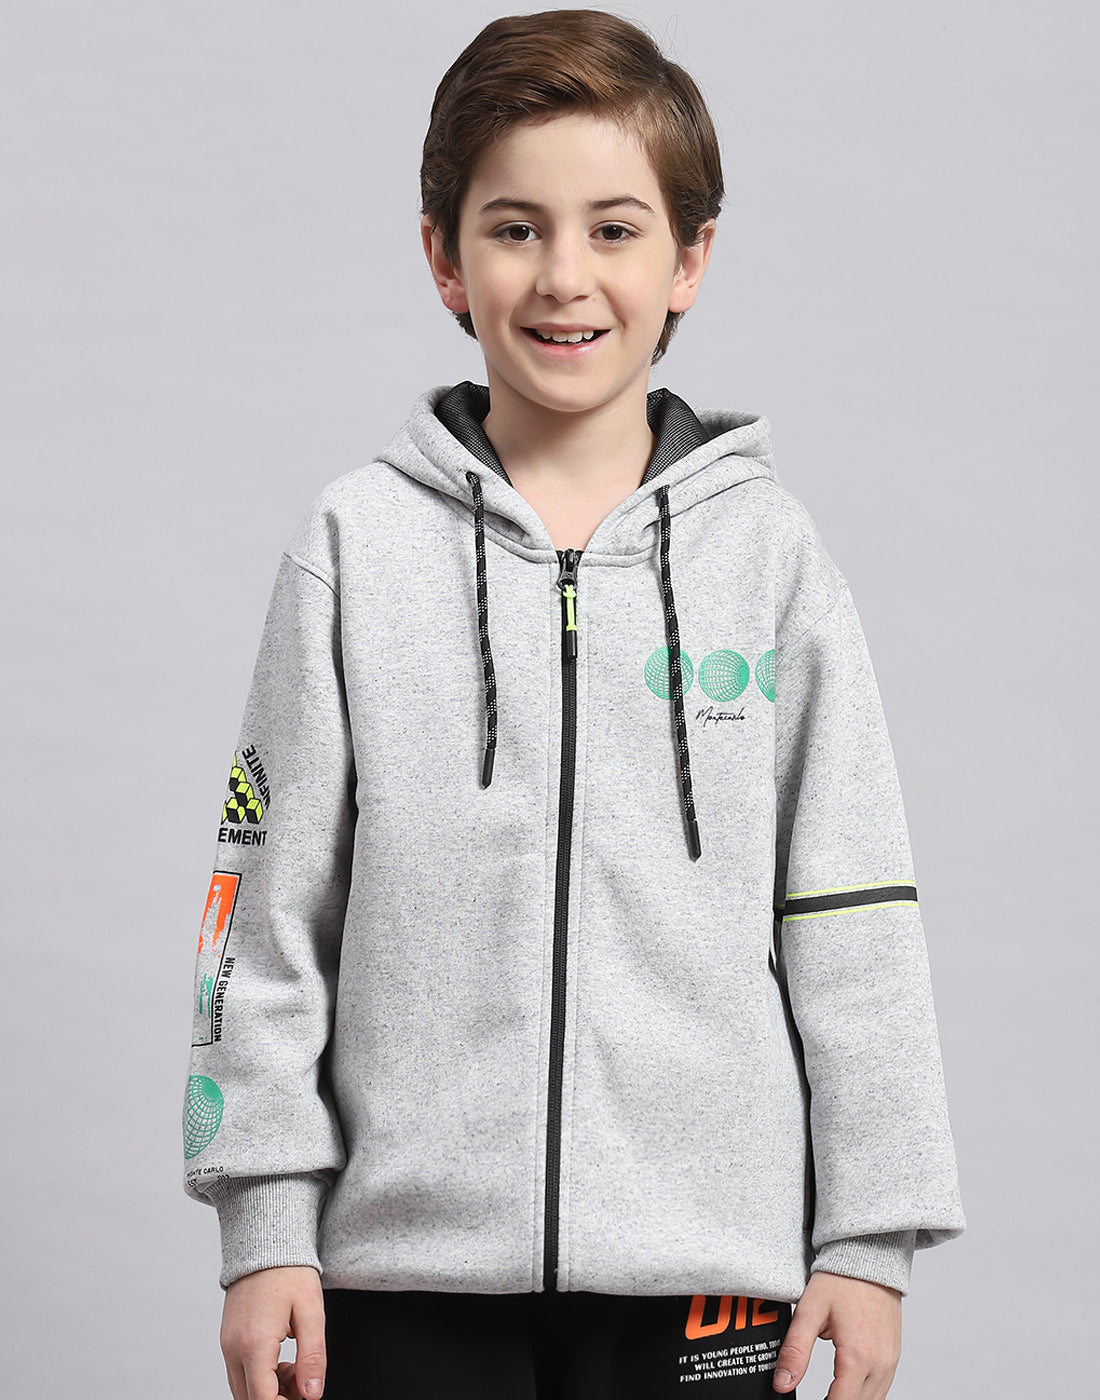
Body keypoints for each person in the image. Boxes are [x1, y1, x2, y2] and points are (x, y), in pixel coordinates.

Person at [183, 11, 965, 1399]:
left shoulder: (770, 560)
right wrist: (265, 1226)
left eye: (614, 230)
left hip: (711, 1272)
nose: (564, 277)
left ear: (689, 260)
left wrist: (871, 1237)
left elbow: (853, 911)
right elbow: (266, 906)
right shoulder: (356, 548)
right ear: (445, 257)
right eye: (515, 228)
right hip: (400, 1277)